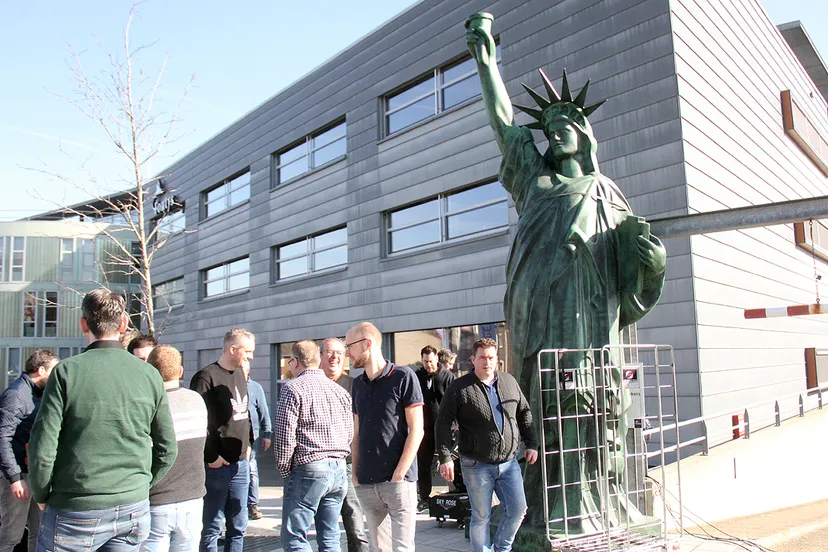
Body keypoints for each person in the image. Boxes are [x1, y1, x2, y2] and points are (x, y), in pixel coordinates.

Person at [465, 14, 666, 531]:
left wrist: (653, 257)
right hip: (536, 302)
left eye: (564, 125)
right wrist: (487, 63)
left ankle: (593, 501)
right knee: (541, 393)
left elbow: (637, 266)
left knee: (591, 397)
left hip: (591, 313)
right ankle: (542, 500)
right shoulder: (533, 177)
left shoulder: (608, 193)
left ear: (582, 133)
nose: (553, 132)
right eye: (548, 127)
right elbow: (505, 124)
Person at [29, 288, 178, 551]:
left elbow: (43, 447)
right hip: (132, 507)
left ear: (83, 324)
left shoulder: (66, 372)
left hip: (76, 507)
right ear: (123, 324)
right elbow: (167, 448)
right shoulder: (149, 375)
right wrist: (139, 485)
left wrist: (41, 494)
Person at [436, 338, 538, 552]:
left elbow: (524, 412)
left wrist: (531, 443)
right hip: (477, 464)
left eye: (491, 357)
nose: (487, 362)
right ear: (473, 359)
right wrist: (445, 457)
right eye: (482, 357)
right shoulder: (459, 388)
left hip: (509, 463)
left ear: (497, 360)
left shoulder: (509, 381)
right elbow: (443, 422)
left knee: (518, 509)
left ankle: (501, 548)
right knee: (481, 516)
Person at [347, 322, 424, 552]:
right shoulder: (358, 384)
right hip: (366, 482)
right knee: (379, 549)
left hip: (398, 482)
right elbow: (357, 431)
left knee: (402, 548)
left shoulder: (403, 376)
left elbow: (417, 429)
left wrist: (399, 474)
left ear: (367, 344)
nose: (347, 352)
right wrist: (354, 474)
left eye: (349, 345)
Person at [274, 340, 353, 552]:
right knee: (330, 537)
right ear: (318, 360)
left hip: (309, 467)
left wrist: (284, 470)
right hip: (338, 468)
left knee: (295, 538)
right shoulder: (339, 391)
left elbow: (284, 436)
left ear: (294, 362)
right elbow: (349, 433)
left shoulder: (292, 388)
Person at [190, 328, 255, 552]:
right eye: (247, 351)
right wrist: (211, 457)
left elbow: (245, 414)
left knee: (238, 526)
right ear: (232, 349)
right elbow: (197, 423)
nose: (250, 357)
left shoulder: (240, 374)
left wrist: (249, 445)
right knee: (212, 527)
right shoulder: (205, 377)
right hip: (216, 466)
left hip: (240, 464)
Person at [143, 345, 208, 552]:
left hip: (156, 500)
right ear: (180, 371)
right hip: (192, 499)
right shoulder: (196, 400)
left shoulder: (147, 404)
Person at [0, 350, 58, 552]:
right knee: (11, 536)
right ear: (41, 370)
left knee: (40, 532)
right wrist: (15, 478)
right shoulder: (16, 395)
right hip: (18, 476)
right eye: (53, 371)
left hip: (35, 474)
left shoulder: (39, 394)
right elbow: (2, 438)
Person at [319, 337, 369, 552]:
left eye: (339, 353)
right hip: (317, 462)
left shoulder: (354, 385)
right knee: (322, 520)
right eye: (329, 352)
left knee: (354, 517)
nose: (334, 357)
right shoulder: (313, 383)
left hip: (347, 462)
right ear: (320, 356)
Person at [414, 345, 455, 511]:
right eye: (425, 362)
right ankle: (424, 497)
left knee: (450, 461)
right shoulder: (418, 376)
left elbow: (453, 402)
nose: (428, 365)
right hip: (424, 428)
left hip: (444, 427)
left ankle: (455, 493)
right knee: (423, 464)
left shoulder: (447, 377)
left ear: (437, 359)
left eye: (430, 361)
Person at [242, 360, 271, 521]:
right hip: (234, 438)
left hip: (251, 437)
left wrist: (267, 434)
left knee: (252, 471)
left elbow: (263, 412)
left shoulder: (255, 388)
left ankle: (252, 505)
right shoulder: (230, 384)